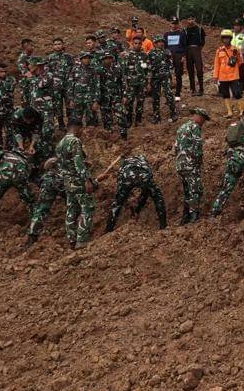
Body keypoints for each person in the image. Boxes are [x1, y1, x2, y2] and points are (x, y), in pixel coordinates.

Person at [209, 108, 244, 216]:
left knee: (225, 189)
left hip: (231, 162)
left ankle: (214, 213)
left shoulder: (233, 129)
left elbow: (226, 148)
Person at [55, 118, 96, 249]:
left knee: (71, 209)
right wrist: (87, 180)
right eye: (81, 129)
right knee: (87, 207)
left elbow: (64, 164)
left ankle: (71, 239)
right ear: (77, 127)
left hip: (67, 182)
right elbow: (78, 164)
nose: (82, 132)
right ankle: (82, 239)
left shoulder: (60, 143)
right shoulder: (75, 141)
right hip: (78, 181)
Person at [104, 154, 167, 233]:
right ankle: (163, 226)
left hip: (127, 177)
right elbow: (146, 190)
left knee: (117, 204)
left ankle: (108, 230)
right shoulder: (143, 161)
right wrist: (138, 208)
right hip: (144, 176)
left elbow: (120, 183)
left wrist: (122, 197)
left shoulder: (124, 164)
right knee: (158, 197)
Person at [174, 108, 211, 225]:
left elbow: (175, 147)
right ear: (198, 117)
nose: (203, 123)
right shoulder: (195, 127)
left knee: (187, 190)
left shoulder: (181, 127)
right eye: (203, 120)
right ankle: (193, 217)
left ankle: (185, 217)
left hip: (180, 164)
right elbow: (197, 146)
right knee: (195, 190)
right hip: (190, 164)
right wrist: (198, 161)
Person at [0, 148, 34, 225]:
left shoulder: (6, 153)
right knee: (29, 201)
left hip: (3, 177)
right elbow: (27, 175)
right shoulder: (24, 161)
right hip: (19, 179)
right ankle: (34, 220)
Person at [120, 37, 150, 128]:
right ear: (132, 44)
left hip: (141, 84)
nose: (137, 45)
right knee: (129, 103)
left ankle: (138, 120)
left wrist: (148, 83)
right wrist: (125, 85)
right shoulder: (128, 56)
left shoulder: (144, 56)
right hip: (131, 84)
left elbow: (147, 70)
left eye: (139, 43)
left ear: (141, 44)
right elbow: (124, 72)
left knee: (140, 102)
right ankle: (129, 120)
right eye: (135, 43)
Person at [213, 30, 244, 117]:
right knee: (225, 94)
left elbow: (240, 62)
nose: (225, 40)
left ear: (230, 39)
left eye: (227, 38)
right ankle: (229, 112)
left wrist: (236, 54)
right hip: (222, 76)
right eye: (224, 38)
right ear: (222, 39)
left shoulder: (235, 49)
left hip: (233, 75)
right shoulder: (219, 51)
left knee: (237, 93)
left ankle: (242, 111)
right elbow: (216, 64)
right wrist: (215, 76)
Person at [98, 52, 128, 139]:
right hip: (104, 99)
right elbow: (96, 86)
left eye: (109, 58)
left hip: (116, 97)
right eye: (105, 58)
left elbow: (123, 83)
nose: (107, 60)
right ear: (102, 60)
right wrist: (96, 99)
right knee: (107, 119)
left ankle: (123, 135)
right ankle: (109, 136)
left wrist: (125, 96)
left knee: (121, 116)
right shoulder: (99, 71)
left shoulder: (117, 69)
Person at [47, 38, 74, 131]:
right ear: (53, 46)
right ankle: (61, 125)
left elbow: (73, 70)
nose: (57, 46)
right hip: (55, 87)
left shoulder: (69, 57)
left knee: (69, 105)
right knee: (57, 107)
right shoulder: (50, 58)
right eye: (55, 44)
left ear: (63, 45)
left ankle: (71, 124)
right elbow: (48, 73)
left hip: (67, 86)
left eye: (59, 44)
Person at [67, 51, 100, 128]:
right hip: (77, 99)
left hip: (90, 99)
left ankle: (90, 138)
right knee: (76, 122)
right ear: (81, 59)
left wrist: (96, 101)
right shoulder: (74, 69)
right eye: (85, 58)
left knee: (91, 122)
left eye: (89, 58)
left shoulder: (93, 70)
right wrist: (71, 99)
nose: (87, 60)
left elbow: (97, 86)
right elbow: (70, 85)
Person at [148, 37, 176, 122]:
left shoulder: (167, 52)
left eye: (162, 42)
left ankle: (173, 113)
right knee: (155, 97)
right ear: (155, 43)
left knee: (169, 95)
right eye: (159, 42)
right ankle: (156, 116)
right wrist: (149, 81)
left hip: (165, 76)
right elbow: (149, 67)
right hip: (155, 78)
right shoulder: (151, 53)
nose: (161, 43)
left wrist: (173, 78)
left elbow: (171, 66)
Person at [182, 16, 207, 96]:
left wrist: (198, 48)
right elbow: (183, 41)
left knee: (199, 69)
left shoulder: (199, 29)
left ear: (195, 19)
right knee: (190, 70)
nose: (191, 21)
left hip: (197, 49)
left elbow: (203, 41)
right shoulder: (185, 30)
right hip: (188, 50)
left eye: (192, 19)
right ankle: (192, 89)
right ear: (187, 20)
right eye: (189, 19)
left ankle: (201, 89)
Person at [164, 18, 187, 98]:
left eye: (175, 23)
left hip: (178, 56)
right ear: (170, 24)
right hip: (169, 57)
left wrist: (183, 56)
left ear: (178, 24)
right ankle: (168, 93)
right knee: (167, 74)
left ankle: (177, 94)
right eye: (172, 23)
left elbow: (185, 46)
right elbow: (164, 47)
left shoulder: (181, 34)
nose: (174, 25)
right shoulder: (166, 34)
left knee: (178, 75)